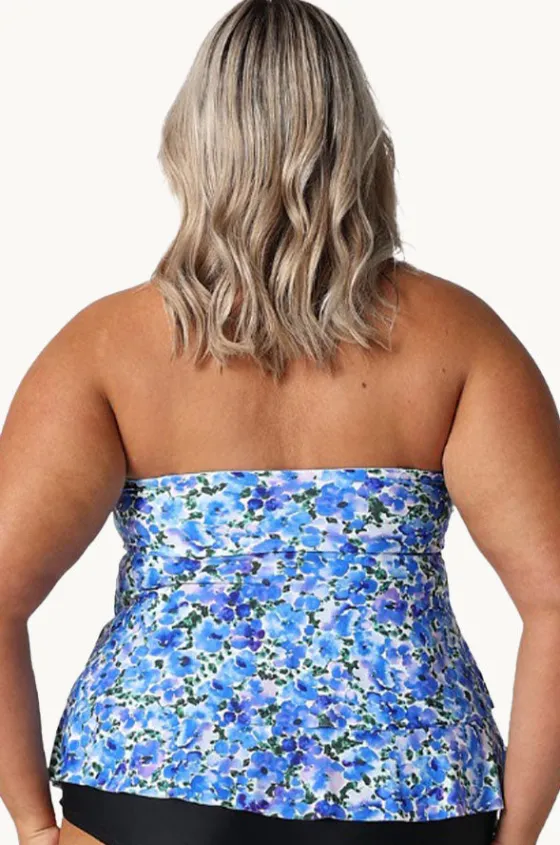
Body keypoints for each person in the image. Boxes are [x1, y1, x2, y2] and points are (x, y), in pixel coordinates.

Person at [0, 1, 559, 844]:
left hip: (154, 787)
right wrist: (518, 837)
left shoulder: (104, 347)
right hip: (412, 792)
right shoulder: (464, 339)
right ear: (360, 141)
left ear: (193, 143)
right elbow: (555, 598)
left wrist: (34, 823)